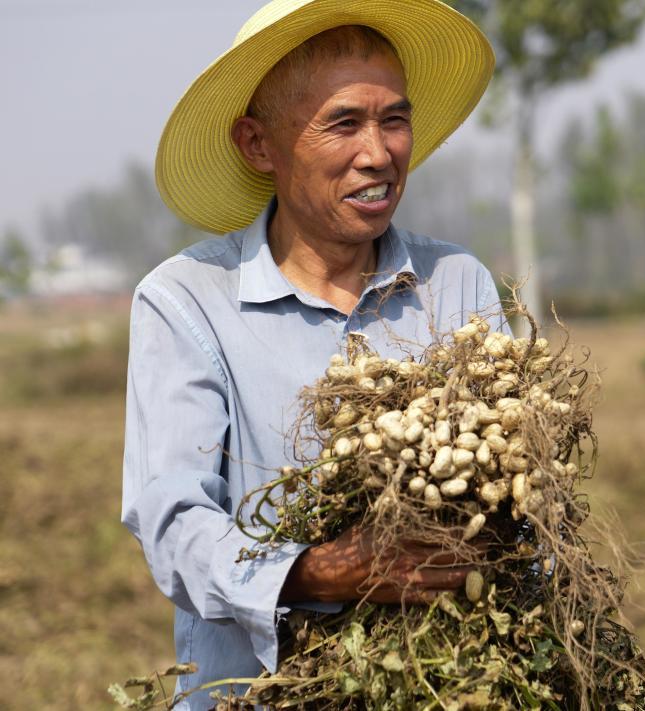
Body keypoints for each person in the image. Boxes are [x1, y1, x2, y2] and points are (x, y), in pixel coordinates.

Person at [121, 1, 499, 707]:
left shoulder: (457, 287)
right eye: (344, 122)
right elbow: (174, 522)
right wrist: (319, 571)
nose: (379, 152)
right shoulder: (187, 301)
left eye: (394, 119)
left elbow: (513, 506)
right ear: (259, 145)